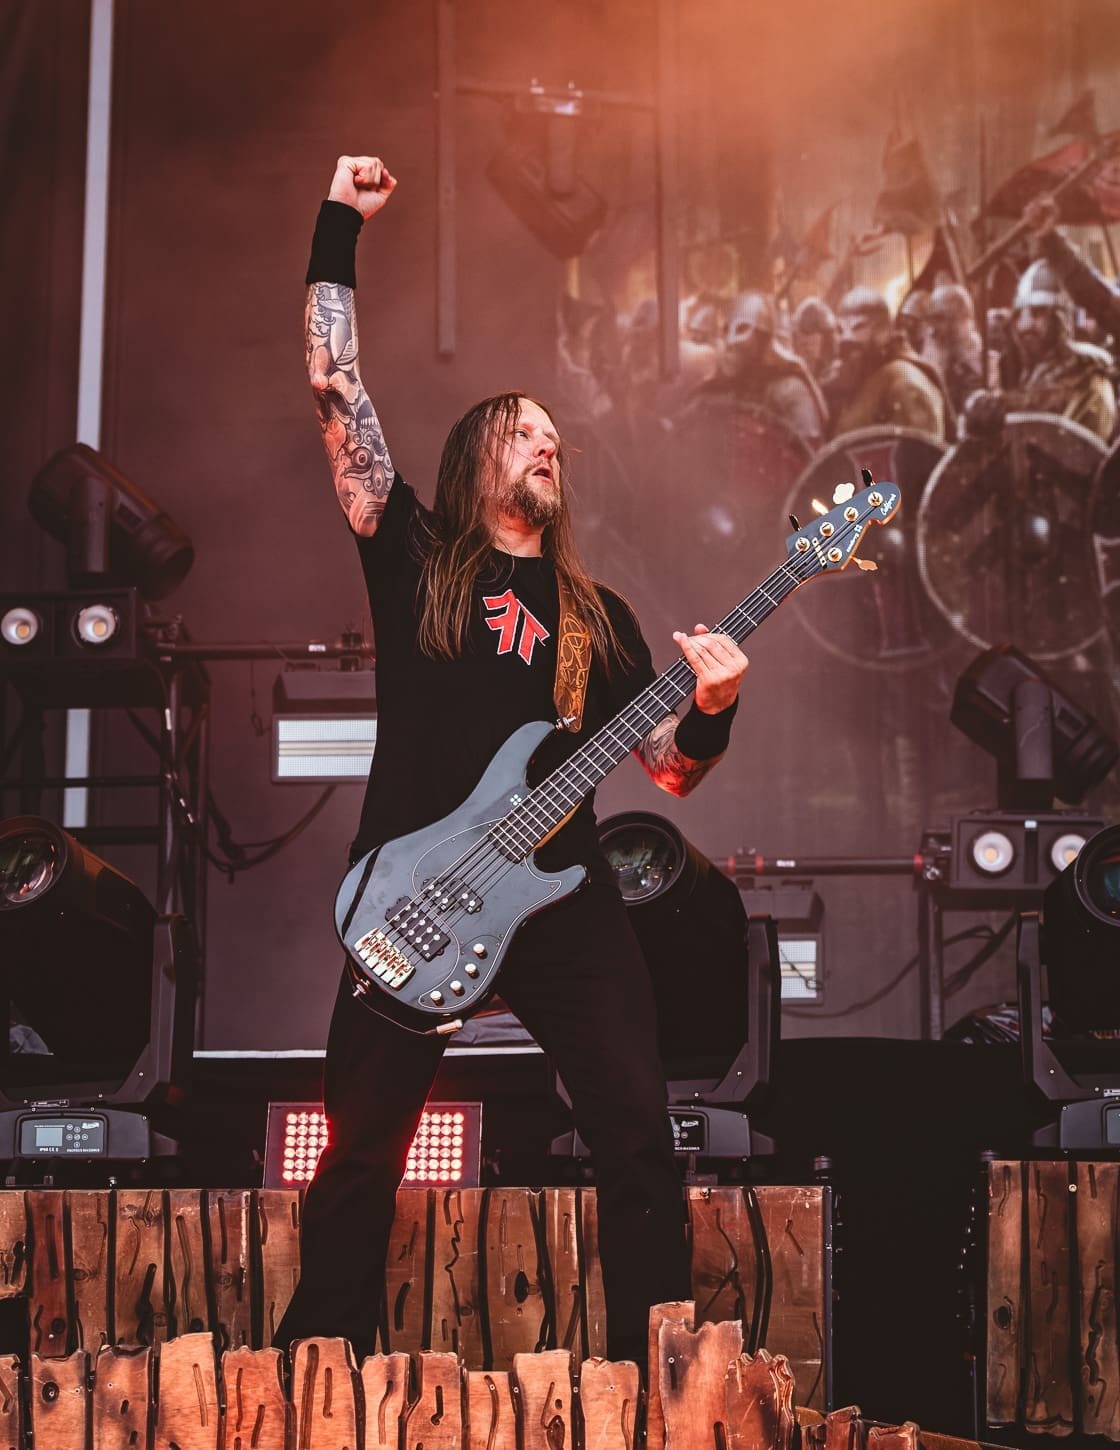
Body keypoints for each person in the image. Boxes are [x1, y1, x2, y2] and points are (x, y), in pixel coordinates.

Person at [273, 155, 750, 1369]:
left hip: (562, 896)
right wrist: (340, 222)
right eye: (524, 430)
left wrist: (713, 707)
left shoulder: (603, 616)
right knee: (362, 1141)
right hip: (418, 886)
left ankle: (652, 1376)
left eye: (556, 435)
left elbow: (673, 773)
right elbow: (337, 386)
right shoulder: (419, 557)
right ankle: (318, 1366)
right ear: (480, 456)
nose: (549, 444)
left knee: (639, 1130)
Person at [1008, 258, 1116, 442]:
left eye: (1038, 313)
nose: (1025, 325)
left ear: (1061, 319)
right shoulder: (1030, 376)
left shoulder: (1088, 378)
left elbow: (1078, 456)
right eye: (1020, 315)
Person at [825, 285, 948, 438]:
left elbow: (919, 454)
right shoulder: (860, 380)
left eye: (859, 327)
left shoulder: (904, 382)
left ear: (881, 331)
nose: (846, 338)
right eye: (840, 330)